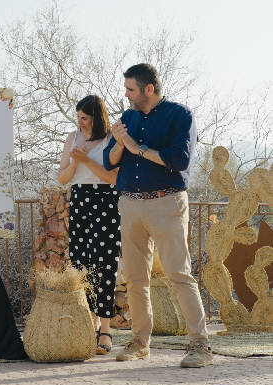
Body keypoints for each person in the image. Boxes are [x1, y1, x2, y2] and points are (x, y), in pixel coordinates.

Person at [103, 63, 213, 367]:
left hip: (166, 203)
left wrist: (137, 148)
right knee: (136, 279)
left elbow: (179, 159)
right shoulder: (127, 117)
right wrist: (119, 143)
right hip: (129, 204)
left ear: (148, 89)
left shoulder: (180, 115)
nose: (126, 95)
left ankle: (200, 346)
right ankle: (140, 342)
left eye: (130, 90)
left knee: (179, 274)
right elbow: (109, 159)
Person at [57, 94, 120, 355]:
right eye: (78, 117)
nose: (80, 122)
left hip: (106, 201)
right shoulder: (72, 138)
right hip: (80, 201)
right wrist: (74, 163)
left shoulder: (111, 140)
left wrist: (86, 161)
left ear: (96, 117)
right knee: (81, 265)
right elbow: (62, 178)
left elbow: (114, 178)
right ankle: (88, 325)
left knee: (105, 265)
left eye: (85, 118)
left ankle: (105, 330)